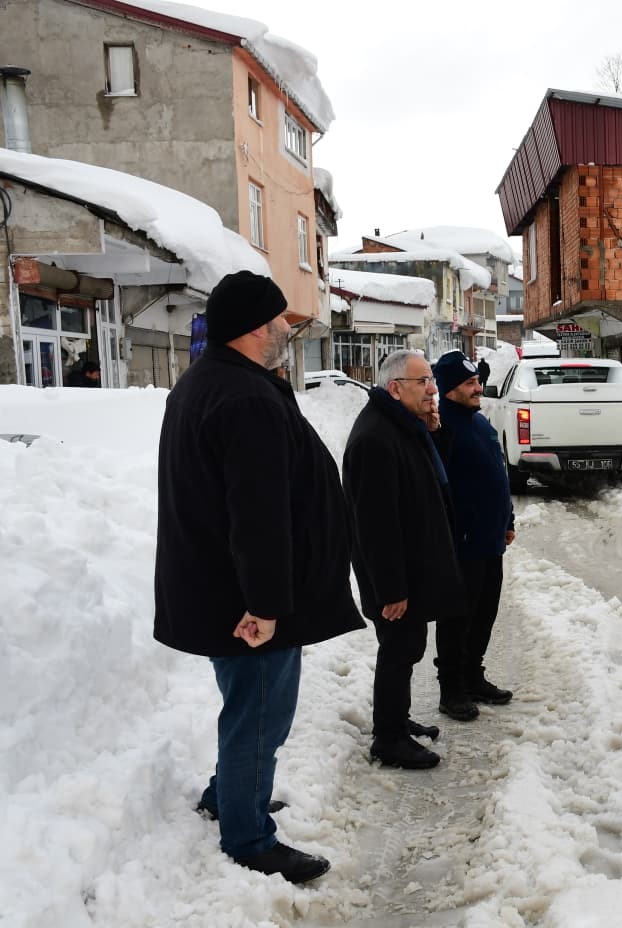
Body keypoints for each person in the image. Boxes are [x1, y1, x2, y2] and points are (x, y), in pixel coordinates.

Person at [153, 270, 364, 884]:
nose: (285, 332)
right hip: (246, 600)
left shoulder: (208, 383)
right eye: (279, 323)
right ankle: (247, 837)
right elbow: (258, 512)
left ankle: (229, 795)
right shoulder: (244, 398)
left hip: (221, 588)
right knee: (262, 714)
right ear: (252, 328)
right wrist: (267, 602)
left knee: (250, 706)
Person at [343, 349, 467, 770]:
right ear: (395, 389)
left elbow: (435, 478)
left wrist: (434, 430)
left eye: (432, 380)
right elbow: (374, 524)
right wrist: (390, 589)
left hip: (413, 568)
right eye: (423, 382)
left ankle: (395, 719)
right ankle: (389, 738)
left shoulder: (403, 425)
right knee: (399, 648)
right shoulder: (375, 438)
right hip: (396, 578)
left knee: (407, 647)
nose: (433, 389)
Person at [432, 351, 516, 706]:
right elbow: (439, 489)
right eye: (469, 383)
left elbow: (497, 473)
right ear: (450, 389)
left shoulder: (478, 421)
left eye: (476, 381)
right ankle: (451, 688)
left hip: (490, 540)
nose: (477, 387)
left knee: (484, 614)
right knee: (457, 619)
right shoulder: (441, 430)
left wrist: (507, 520)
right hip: (462, 544)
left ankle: (472, 676)